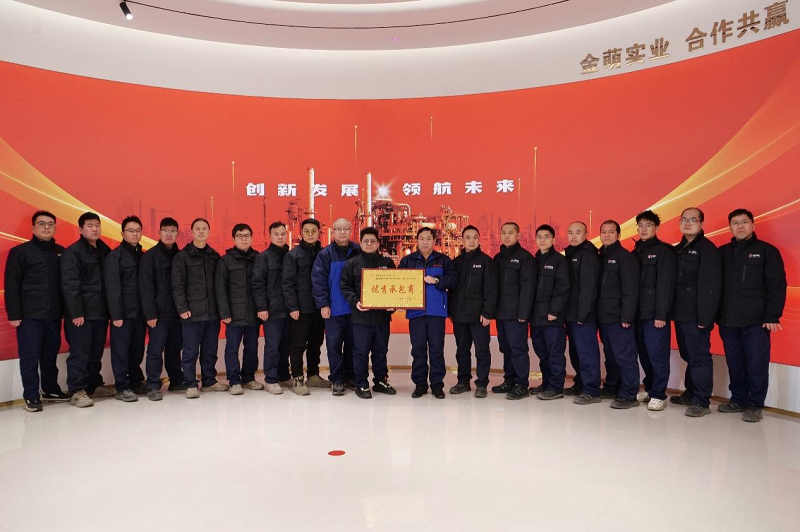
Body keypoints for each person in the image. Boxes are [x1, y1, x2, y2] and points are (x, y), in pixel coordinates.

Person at [717, 208, 787, 422]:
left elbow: (777, 285)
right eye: (735, 223)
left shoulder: (767, 251)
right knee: (735, 362)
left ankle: (755, 404)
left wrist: (772, 315)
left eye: (744, 222)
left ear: (752, 225)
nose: (740, 226)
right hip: (728, 320)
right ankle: (738, 399)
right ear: (730, 227)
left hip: (756, 321)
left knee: (757, 363)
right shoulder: (722, 252)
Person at [4, 211, 67, 412]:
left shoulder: (61, 252)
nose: (46, 227)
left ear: (55, 227)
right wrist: (14, 314)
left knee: (50, 355)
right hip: (29, 316)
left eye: (50, 224)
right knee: (30, 356)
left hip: (53, 314)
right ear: (33, 228)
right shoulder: (20, 252)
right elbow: (11, 284)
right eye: (42, 223)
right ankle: (31, 396)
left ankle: (50, 390)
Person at [672, 207, 722, 417]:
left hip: (697, 316)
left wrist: (705, 317)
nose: (688, 223)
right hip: (680, 313)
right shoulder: (678, 248)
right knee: (688, 355)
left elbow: (711, 286)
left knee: (699, 357)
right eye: (684, 219)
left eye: (693, 220)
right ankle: (691, 392)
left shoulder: (707, 249)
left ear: (701, 224)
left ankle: (702, 401)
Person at [61, 212, 113, 408]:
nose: (94, 229)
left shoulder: (104, 250)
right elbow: (70, 285)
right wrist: (76, 312)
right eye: (90, 226)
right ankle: (76, 390)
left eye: (97, 225)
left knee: (95, 352)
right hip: (81, 315)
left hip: (100, 312)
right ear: (81, 229)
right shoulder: (73, 252)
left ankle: (93, 385)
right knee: (79, 352)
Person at [399, 227, 458, 399]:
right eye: (422, 239)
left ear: (434, 241)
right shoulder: (408, 261)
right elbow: (398, 280)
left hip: (436, 313)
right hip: (415, 313)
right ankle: (420, 385)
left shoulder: (443, 260)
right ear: (417, 241)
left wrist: (438, 280)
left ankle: (437, 385)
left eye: (428, 239)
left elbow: (453, 279)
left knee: (436, 350)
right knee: (418, 350)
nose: (425, 242)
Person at [172, 218, 227, 398]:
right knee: (190, 351)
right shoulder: (182, 256)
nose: (201, 231)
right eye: (198, 228)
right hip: (192, 314)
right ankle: (190, 383)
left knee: (210, 350)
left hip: (212, 314)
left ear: (209, 232)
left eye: (204, 229)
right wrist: (182, 308)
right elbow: (177, 285)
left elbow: (220, 285)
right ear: (192, 232)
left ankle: (209, 381)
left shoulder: (214, 256)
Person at [340, 227, 397, 399]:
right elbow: (345, 286)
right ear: (361, 243)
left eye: (373, 241)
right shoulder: (352, 263)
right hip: (361, 317)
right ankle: (361, 384)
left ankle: (380, 381)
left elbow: (395, 287)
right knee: (360, 352)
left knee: (380, 351)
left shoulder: (387, 263)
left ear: (378, 243)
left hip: (382, 317)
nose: (369, 244)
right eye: (366, 241)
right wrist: (355, 301)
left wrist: (393, 305)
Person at [632, 210, 676, 412]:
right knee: (644, 354)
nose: (644, 229)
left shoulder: (664, 252)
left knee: (657, 355)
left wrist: (661, 314)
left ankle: (659, 394)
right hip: (637, 314)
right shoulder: (634, 253)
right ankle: (650, 389)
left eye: (648, 225)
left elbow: (665, 285)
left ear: (656, 228)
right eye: (640, 225)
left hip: (655, 315)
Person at [312, 217, 360, 395]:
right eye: (338, 229)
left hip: (355, 308)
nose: (342, 232)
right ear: (333, 232)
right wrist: (323, 304)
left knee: (353, 345)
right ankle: (337, 379)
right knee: (334, 346)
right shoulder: (325, 254)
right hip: (334, 309)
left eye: (345, 228)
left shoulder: (358, 251)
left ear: (351, 231)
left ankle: (351, 377)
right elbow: (318, 281)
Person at [448, 225, 497, 398]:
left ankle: (482, 384)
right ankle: (463, 382)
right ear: (462, 240)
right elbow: (451, 290)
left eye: (474, 237)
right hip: (459, 316)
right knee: (462, 350)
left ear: (479, 239)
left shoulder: (486, 261)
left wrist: (488, 313)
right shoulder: (456, 262)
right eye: (468, 237)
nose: (471, 240)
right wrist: (451, 312)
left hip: (479, 317)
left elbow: (491, 289)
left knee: (482, 351)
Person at [596, 220, 641, 409]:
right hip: (603, 316)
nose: (606, 235)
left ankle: (629, 394)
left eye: (611, 232)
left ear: (618, 235)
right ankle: (612, 386)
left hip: (619, 317)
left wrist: (627, 316)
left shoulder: (625, 257)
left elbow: (631, 290)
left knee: (625, 356)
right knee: (610, 355)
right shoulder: (598, 256)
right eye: (603, 232)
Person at [216, 223, 263, 395]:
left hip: (253, 313)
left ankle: (248, 378)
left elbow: (262, 285)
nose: (244, 239)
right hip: (233, 315)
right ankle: (234, 380)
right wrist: (224, 312)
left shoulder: (258, 258)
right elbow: (220, 288)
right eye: (240, 236)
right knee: (232, 349)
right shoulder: (225, 260)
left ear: (252, 238)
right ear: (234, 238)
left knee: (252, 348)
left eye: (247, 236)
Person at [139, 217, 184, 400]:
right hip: (158, 314)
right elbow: (146, 288)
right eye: (165, 230)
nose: (168, 234)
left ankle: (176, 380)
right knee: (155, 350)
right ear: (159, 232)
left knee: (175, 348)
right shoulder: (150, 256)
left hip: (177, 312)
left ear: (177, 234)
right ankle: (152, 384)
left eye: (172, 230)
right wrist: (150, 314)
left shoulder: (181, 256)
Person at [491, 222, 536, 400]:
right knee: (506, 348)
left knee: (518, 349)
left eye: (510, 233)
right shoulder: (498, 258)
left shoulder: (525, 258)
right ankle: (509, 380)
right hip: (501, 313)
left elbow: (528, 287)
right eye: (503, 233)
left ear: (519, 235)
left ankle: (522, 384)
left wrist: (523, 313)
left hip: (517, 314)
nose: (507, 236)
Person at [104, 215, 146, 403]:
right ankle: (122, 387)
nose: (134, 234)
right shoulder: (115, 256)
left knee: (137, 350)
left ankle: (136, 382)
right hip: (123, 315)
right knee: (121, 351)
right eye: (130, 230)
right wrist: (116, 315)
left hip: (140, 313)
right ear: (122, 233)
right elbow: (112, 287)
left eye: (137, 231)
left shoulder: (143, 256)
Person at [283, 218, 326, 395]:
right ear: (301, 233)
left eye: (313, 231)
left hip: (319, 307)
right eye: (306, 231)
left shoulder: (324, 254)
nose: (310, 234)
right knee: (298, 344)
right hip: (300, 309)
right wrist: (292, 307)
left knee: (316, 343)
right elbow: (287, 284)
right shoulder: (293, 255)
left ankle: (313, 375)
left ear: (319, 233)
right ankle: (297, 377)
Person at [563, 221, 602, 405]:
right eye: (570, 232)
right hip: (571, 313)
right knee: (576, 352)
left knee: (587, 353)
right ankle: (580, 383)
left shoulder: (588, 255)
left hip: (583, 316)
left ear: (586, 234)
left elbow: (588, 288)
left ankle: (592, 390)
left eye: (578, 232)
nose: (573, 236)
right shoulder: (571, 253)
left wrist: (583, 314)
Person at [530, 224, 570, 401]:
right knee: (542, 352)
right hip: (536, 316)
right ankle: (546, 383)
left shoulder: (559, 261)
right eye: (539, 237)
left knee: (555, 353)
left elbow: (563, 288)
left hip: (552, 317)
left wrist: (554, 310)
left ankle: (556, 387)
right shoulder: (533, 261)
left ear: (553, 239)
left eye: (546, 237)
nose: (542, 240)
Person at [253, 221, 293, 395]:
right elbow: (258, 284)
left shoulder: (291, 256)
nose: (280, 237)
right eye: (276, 234)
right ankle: (271, 379)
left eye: (283, 233)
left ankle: (284, 375)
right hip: (272, 310)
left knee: (286, 346)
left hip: (290, 310)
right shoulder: (263, 257)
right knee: (272, 347)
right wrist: (262, 307)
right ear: (269, 236)